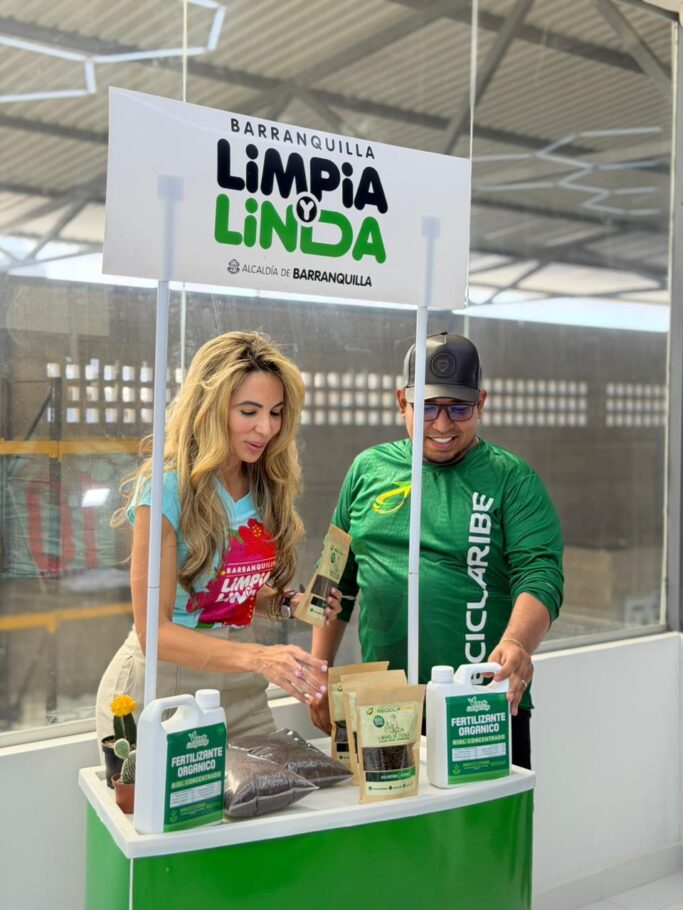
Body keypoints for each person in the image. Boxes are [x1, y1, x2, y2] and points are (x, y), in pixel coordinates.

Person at [309, 332, 563, 768]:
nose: (443, 425)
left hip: (479, 701)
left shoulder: (512, 479)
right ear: (402, 402)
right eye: (427, 407)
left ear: (481, 403)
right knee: (392, 809)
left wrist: (517, 642)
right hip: (385, 704)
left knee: (483, 813)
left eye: (458, 408)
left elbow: (540, 574)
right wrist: (318, 674)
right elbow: (333, 576)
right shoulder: (367, 470)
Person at [96, 331, 341, 746]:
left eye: (276, 413)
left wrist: (287, 604)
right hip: (165, 687)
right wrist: (263, 658)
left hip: (240, 687)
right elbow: (154, 633)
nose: (266, 428)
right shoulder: (166, 490)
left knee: (274, 784)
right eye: (249, 411)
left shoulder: (265, 484)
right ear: (210, 409)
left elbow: (218, 591)